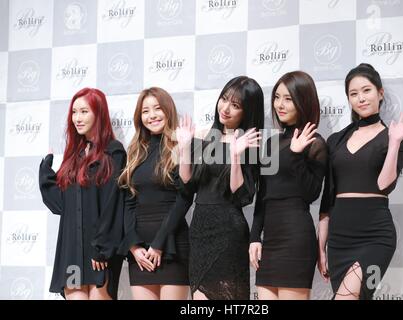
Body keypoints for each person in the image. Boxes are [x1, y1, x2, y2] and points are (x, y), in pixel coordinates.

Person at [317, 63, 403, 300]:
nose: (361, 98)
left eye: (366, 90)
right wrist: (320, 247)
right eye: (353, 94)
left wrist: (394, 143)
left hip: (376, 236)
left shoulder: (393, 137)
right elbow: (328, 197)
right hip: (340, 237)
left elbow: (385, 186)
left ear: (380, 93)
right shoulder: (335, 140)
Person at [176, 76, 264, 300]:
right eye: (224, 99)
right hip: (200, 230)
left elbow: (242, 196)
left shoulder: (250, 142)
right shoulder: (204, 136)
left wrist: (236, 155)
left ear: (248, 111)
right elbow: (187, 184)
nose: (225, 108)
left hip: (229, 232)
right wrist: (186, 147)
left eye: (235, 105)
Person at [39, 87, 126, 300]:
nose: (77, 118)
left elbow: (113, 204)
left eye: (84, 111)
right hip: (71, 253)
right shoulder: (74, 157)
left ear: (99, 113)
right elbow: (61, 205)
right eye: (74, 112)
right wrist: (45, 174)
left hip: (99, 251)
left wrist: (102, 248)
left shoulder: (113, 152)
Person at [249, 71, 326, 300]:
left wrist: (295, 155)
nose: (279, 105)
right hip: (270, 240)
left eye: (288, 98)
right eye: (277, 97)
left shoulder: (315, 142)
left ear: (303, 101)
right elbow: (263, 195)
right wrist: (255, 237)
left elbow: (311, 193)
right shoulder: (272, 143)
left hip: (296, 239)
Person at [117, 87, 192, 300]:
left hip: (172, 244)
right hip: (140, 252)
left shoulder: (180, 147)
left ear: (168, 110)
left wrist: (159, 244)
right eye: (145, 111)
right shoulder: (134, 151)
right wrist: (133, 246)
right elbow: (128, 202)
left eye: (157, 109)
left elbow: (184, 198)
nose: (152, 116)